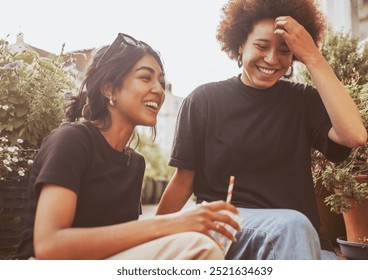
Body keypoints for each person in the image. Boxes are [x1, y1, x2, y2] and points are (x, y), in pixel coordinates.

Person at [156, 0, 368, 260]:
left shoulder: (303, 101)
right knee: (292, 227)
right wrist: (153, 238)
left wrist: (314, 57)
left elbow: (354, 136)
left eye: (284, 50)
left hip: (299, 238)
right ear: (240, 44)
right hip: (229, 231)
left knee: (311, 247)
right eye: (261, 46)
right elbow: (183, 181)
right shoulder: (203, 101)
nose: (272, 59)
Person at [15, 33, 240, 260]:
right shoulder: (72, 140)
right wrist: (171, 223)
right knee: (198, 246)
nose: (159, 90)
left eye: (161, 83)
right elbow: (49, 247)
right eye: (145, 78)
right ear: (109, 89)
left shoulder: (135, 162)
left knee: (204, 242)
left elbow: (123, 241)